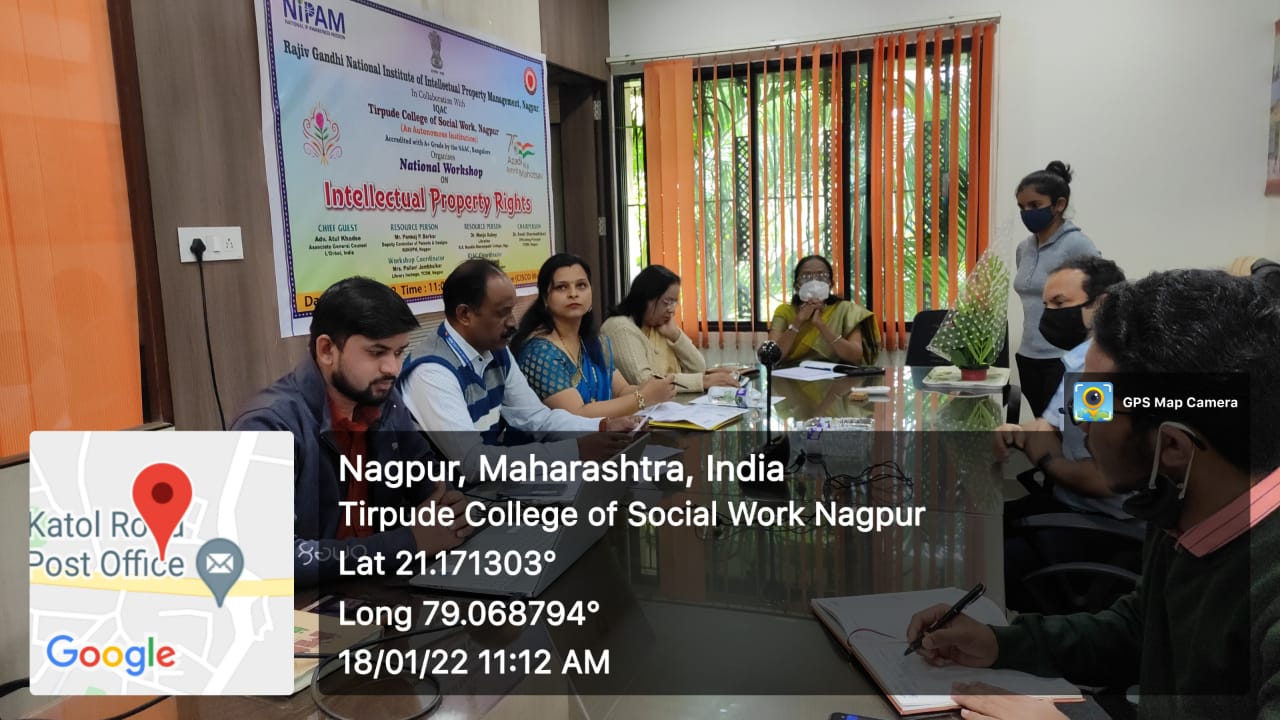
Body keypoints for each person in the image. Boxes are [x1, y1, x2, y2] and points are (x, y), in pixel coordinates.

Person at [906, 270, 1280, 719]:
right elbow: (1138, 630)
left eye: (1096, 403)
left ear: (1173, 446)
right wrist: (999, 643)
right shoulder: (1181, 506)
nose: (1079, 420)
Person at [231, 277, 472, 585]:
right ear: (327, 350)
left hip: (382, 584)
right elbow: (266, 558)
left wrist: (449, 504)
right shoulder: (267, 425)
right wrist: (409, 542)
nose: (392, 368)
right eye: (377, 352)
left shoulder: (385, 400)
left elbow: (426, 475)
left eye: (399, 352)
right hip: (310, 602)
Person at [398, 258, 644, 481]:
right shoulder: (432, 371)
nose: (513, 323)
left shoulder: (496, 351)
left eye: (512, 310)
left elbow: (537, 419)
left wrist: (602, 426)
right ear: (465, 315)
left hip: (487, 491)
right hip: (451, 503)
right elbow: (473, 463)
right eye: (502, 313)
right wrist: (576, 450)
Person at [994, 256, 1134, 611]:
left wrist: (1046, 458)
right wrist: (1018, 432)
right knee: (979, 524)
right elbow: (1048, 425)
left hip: (1099, 524)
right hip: (1067, 502)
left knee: (985, 557)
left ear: (1100, 305)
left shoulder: (1101, 375)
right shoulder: (1079, 359)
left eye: (1060, 304)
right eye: (1046, 306)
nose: (1048, 316)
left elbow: (1101, 478)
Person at [513, 253, 676, 417]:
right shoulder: (539, 352)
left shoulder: (595, 342)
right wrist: (643, 397)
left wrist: (652, 389)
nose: (573, 294)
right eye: (561, 287)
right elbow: (576, 414)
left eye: (581, 285)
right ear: (545, 298)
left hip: (606, 431)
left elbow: (621, 390)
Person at [1012, 161, 1099, 418]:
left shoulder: (1077, 245)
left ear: (1058, 205)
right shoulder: (1024, 249)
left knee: (1078, 429)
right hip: (1029, 357)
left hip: (1067, 358)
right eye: (1022, 207)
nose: (1027, 213)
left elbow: (1104, 293)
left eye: (1034, 205)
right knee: (1044, 427)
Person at [601, 264, 739, 392]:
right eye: (667, 302)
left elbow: (698, 368)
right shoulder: (620, 328)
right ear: (646, 298)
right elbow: (645, 381)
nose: (672, 310)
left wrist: (675, 335)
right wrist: (703, 381)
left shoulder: (657, 325)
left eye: (674, 303)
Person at [768, 255, 880, 365]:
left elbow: (855, 356)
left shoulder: (845, 310)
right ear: (796, 285)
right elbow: (771, 356)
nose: (814, 282)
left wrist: (821, 325)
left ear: (830, 284)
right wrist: (798, 322)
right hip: (789, 374)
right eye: (806, 277)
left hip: (835, 374)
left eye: (821, 276)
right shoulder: (784, 311)